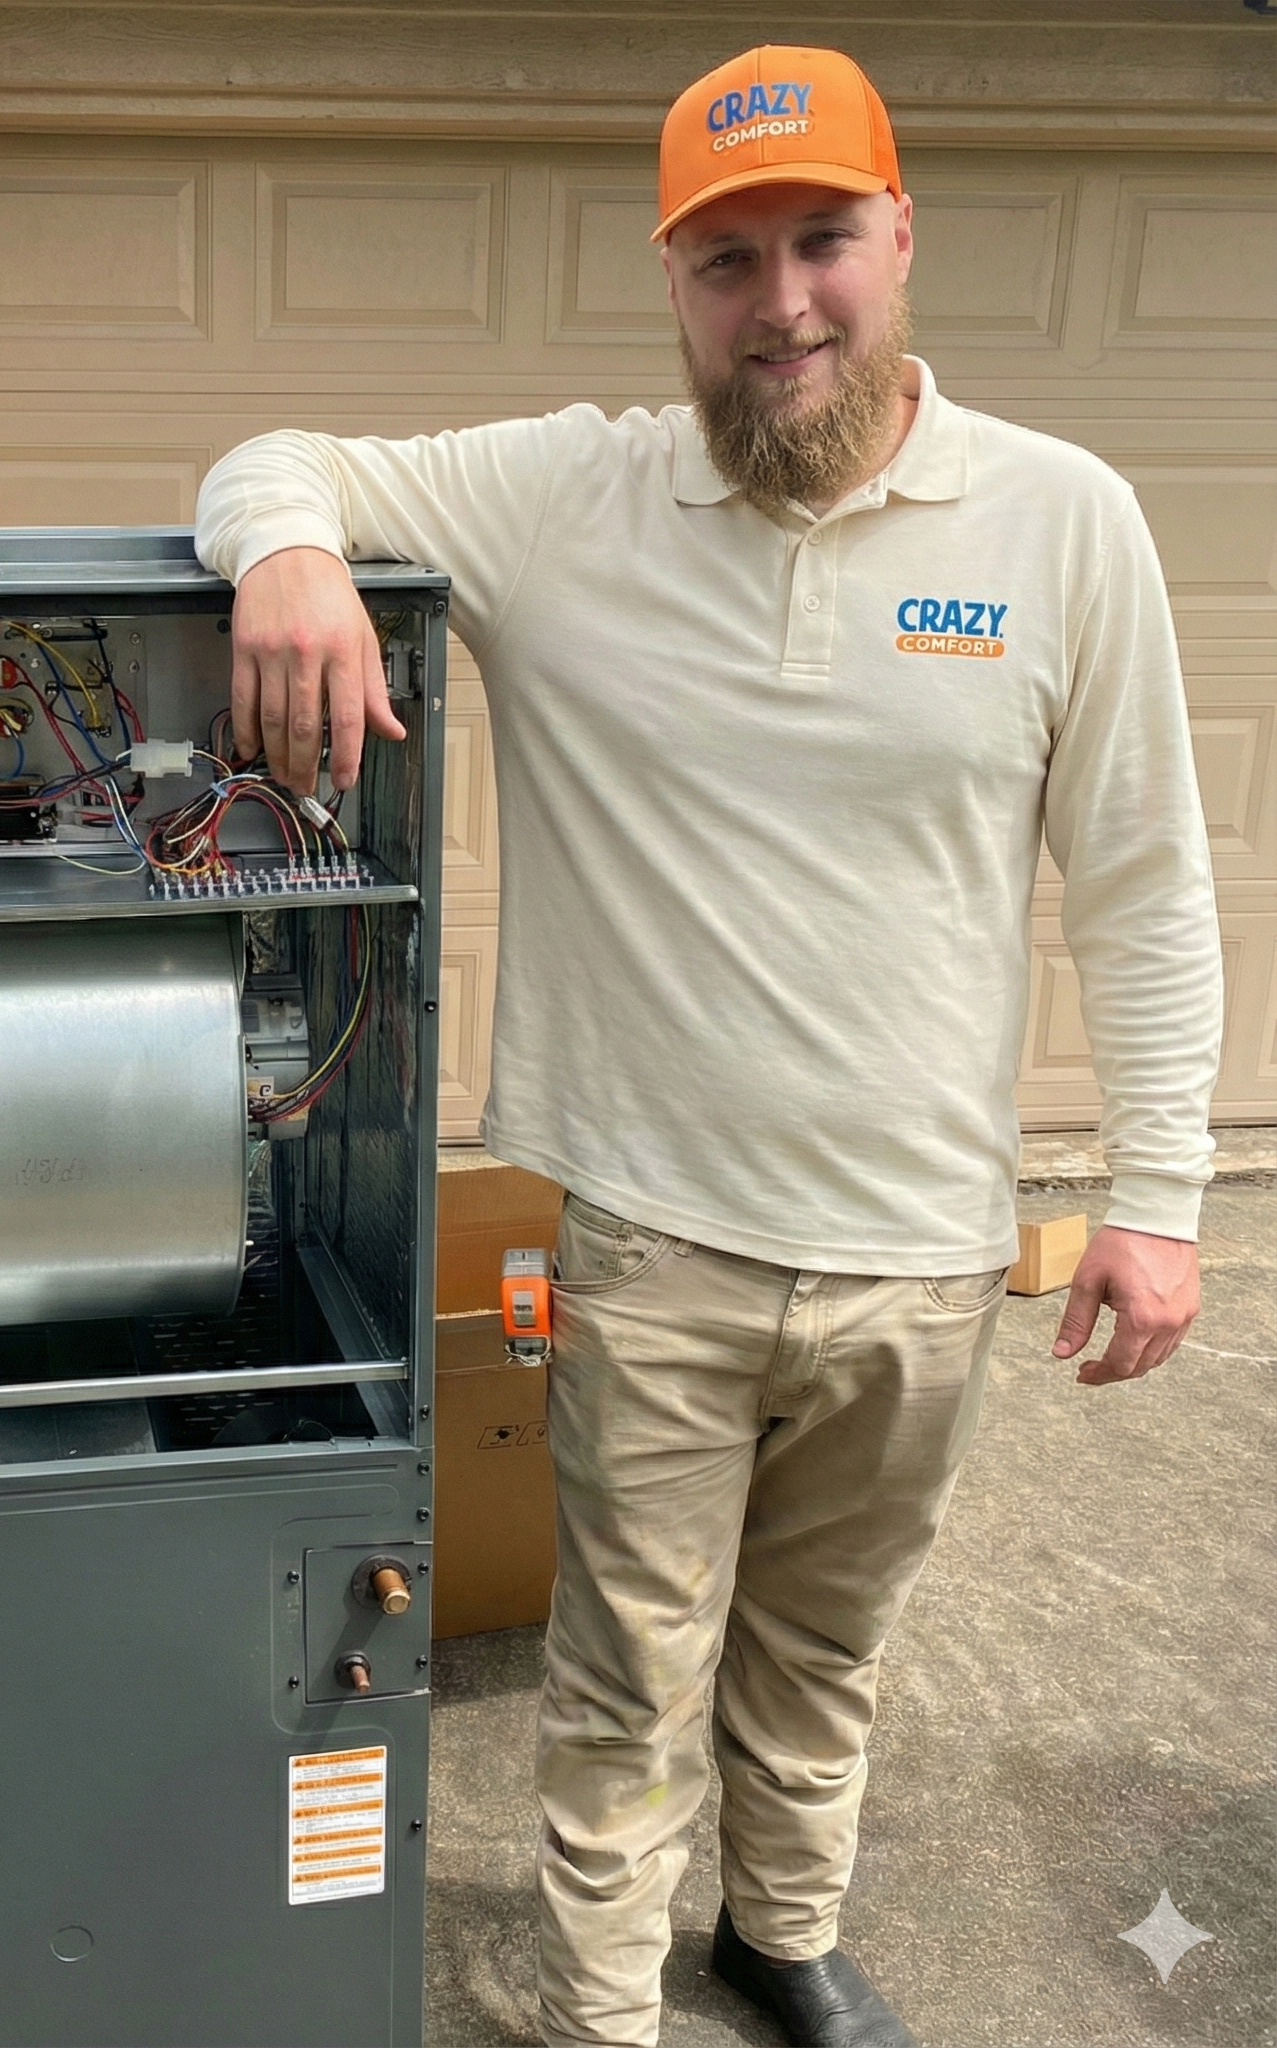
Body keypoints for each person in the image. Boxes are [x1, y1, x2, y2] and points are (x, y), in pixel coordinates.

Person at [193, 43, 1224, 2048]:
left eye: (822, 240)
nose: (782, 303)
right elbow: (272, 456)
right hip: (657, 1240)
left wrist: (1161, 1194)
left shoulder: (1061, 521)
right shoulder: (567, 496)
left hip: (922, 1249)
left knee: (824, 1653)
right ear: (671, 279)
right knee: (626, 1672)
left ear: (901, 236)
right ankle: (598, 2005)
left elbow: (1145, 882)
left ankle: (782, 1929)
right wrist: (290, 555)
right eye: (726, 259)